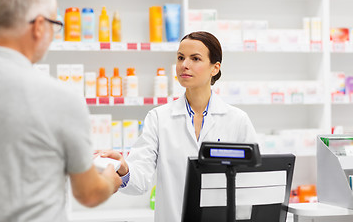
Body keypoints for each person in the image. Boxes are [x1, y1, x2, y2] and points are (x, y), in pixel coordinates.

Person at [0, 0, 121, 221]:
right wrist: (110, 180)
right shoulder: (58, 97)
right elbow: (89, 193)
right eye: (55, 24)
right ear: (39, 26)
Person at [98, 31, 258, 222]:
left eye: (195, 58)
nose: (184, 65)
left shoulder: (237, 120)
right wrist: (124, 168)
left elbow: (252, 183)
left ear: (215, 68)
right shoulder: (158, 118)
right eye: (181, 58)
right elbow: (141, 180)